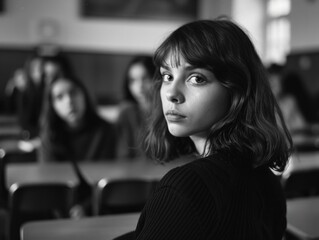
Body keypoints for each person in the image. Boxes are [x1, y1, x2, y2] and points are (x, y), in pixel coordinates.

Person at [115, 19, 292, 240]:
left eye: (196, 78)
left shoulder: (185, 188)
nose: (171, 93)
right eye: (167, 76)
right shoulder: (269, 180)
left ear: (238, 92)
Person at [39, 71, 118, 162]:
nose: (69, 101)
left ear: (84, 95)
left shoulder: (106, 130)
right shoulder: (49, 135)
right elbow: (47, 173)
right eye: (59, 97)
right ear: (52, 106)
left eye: (73, 92)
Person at [116, 55, 155, 159]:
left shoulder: (170, 111)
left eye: (145, 78)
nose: (139, 86)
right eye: (133, 80)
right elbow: (123, 157)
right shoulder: (127, 113)